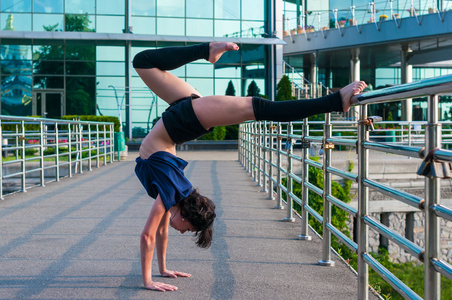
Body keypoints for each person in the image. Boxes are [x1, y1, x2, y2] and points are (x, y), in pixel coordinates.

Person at [133, 42, 367, 292]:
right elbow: (154, 234)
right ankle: (336, 100)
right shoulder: (171, 195)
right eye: (187, 229)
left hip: (183, 117)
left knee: (142, 61)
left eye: (186, 230)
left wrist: (156, 275)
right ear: (183, 213)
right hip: (183, 118)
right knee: (261, 109)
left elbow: (154, 234)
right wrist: (155, 275)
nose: (181, 232)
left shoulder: (170, 196)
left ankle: (336, 99)